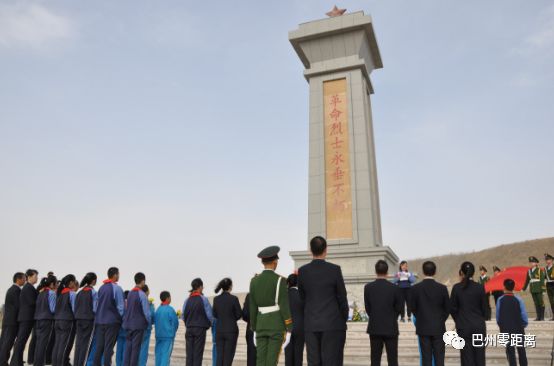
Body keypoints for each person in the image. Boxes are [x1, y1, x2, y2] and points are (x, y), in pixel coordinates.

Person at [297, 236, 348, 366]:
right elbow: (342, 297)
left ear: (310, 250)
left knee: (313, 362)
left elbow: (301, 298)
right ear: (326, 249)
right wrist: (343, 318)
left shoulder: (302, 271)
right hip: (332, 323)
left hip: (311, 324)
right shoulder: (335, 270)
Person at [249, 246, 293, 366]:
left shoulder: (254, 281)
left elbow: (252, 307)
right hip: (276, 326)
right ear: (275, 262)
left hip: (260, 325)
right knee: (271, 362)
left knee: (260, 361)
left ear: (263, 262)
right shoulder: (280, 280)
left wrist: (254, 327)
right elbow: (284, 306)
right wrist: (289, 327)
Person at [410, 261, 449, 366]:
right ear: (435, 271)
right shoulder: (442, 288)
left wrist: (421, 318)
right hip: (438, 328)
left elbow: (412, 307)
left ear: (423, 271)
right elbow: (447, 309)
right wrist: (440, 320)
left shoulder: (415, 288)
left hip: (423, 328)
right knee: (439, 358)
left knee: (426, 358)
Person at [364, 260, 402, 366]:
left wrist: (376, 316)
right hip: (391, 327)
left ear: (376, 271)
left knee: (375, 360)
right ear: (387, 271)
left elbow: (368, 308)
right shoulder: (395, 288)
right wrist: (391, 317)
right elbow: (399, 308)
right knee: (393, 360)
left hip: (375, 327)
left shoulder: (368, 287)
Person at [450, 261, 487, 366]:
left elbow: (452, 308)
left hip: (464, 328)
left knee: (466, 359)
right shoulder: (480, 287)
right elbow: (485, 309)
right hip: (479, 327)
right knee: (480, 359)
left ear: (461, 272)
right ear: (473, 273)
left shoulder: (457, 288)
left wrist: (459, 320)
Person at [93, 267, 125, 366]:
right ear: (115, 275)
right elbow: (121, 308)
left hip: (99, 321)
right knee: (108, 347)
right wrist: (121, 319)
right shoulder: (117, 288)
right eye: (118, 274)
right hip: (112, 322)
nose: (119, 276)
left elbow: (95, 306)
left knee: (99, 347)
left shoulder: (101, 288)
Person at [496, 279, 528, 366]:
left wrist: (502, 326)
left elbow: (498, 317)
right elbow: (524, 316)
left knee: (510, 352)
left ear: (504, 287)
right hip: (518, 329)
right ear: (513, 288)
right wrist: (523, 325)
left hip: (506, 329)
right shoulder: (519, 299)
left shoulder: (500, 300)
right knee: (521, 351)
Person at [182, 278, 213, 366]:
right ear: (200, 287)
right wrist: (211, 323)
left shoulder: (187, 300)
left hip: (189, 328)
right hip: (200, 329)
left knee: (189, 354)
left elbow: (183, 316)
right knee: (198, 353)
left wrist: (188, 323)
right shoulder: (203, 299)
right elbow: (209, 315)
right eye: (202, 286)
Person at [11, 269, 39, 366]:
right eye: (35, 276)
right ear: (30, 276)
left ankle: (17, 361)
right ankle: (15, 362)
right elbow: (32, 302)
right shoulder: (28, 288)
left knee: (21, 341)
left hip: (26, 318)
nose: (37, 278)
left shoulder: (29, 287)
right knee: (21, 341)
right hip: (26, 318)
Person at [122, 273, 150, 366]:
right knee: (135, 349)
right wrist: (148, 323)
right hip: (138, 326)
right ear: (142, 281)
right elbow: (146, 313)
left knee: (128, 348)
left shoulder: (129, 293)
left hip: (129, 324)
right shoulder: (142, 295)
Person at [212, 278, 242, 366]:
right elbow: (239, 314)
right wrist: (232, 319)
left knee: (219, 356)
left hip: (219, 330)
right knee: (228, 356)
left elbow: (214, 314)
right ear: (230, 286)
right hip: (231, 330)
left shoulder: (216, 299)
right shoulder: (234, 299)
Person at [0, 272, 25, 366]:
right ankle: (3, 362)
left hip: (8, 321)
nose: (25, 280)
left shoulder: (11, 289)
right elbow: (18, 306)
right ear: (18, 279)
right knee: (7, 343)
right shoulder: (15, 290)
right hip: (12, 322)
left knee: (4, 342)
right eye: (23, 278)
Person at [52, 275, 77, 366]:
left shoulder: (59, 293)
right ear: (70, 283)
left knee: (57, 344)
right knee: (64, 345)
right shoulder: (72, 294)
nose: (74, 283)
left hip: (57, 321)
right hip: (67, 321)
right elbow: (75, 309)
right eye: (74, 281)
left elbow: (54, 308)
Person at [74, 273, 98, 366]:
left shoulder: (79, 292)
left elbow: (75, 307)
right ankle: (82, 364)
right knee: (86, 344)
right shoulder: (93, 292)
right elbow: (95, 308)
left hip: (78, 319)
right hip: (88, 320)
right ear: (93, 281)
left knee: (78, 343)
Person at [33, 276, 57, 366]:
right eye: (56, 283)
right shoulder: (51, 293)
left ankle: (37, 363)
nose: (57, 285)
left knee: (39, 343)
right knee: (43, 344)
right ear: (52, 284)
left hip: (38, 319)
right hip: (46, 320)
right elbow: (53, 309)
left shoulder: (41, 292)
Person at [154, 292, 178, 366]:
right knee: (165, 356)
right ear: (167, 298)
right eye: (170, 297)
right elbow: (175, 323)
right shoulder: (170, 310)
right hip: (168, 336)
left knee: (158, 355)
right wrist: (173, 333)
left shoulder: (158, 310)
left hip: (158, 336)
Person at [284, 274, 304, 366]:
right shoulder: (302, 295)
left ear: (288, 283)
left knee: (288, 355)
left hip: (286, 328)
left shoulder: (283, 296)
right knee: (298, 355)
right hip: (300, 328)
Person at [522, 256, 546, 321]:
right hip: (533, 289)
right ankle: (538, 316)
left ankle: (542, 317)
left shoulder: (539, 270)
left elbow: (542, 280)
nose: (531, 263)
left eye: (533, 262)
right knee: (536, 303)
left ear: (536, 263)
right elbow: (527, 281)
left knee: (541, 302)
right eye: (530, 262)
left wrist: (543, 290)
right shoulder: (529, 271)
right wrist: (523, 288)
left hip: (539, 288)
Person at [138, 285, 154, 366]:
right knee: (144, 348)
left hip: (136, 327)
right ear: (147, 291)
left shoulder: (137, 299)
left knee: (137, 347)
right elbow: (150, 315)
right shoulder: (149, 303)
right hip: (146, 328)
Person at [241, 293, 255, 366]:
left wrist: (250, 320)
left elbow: (245, 314)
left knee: (251, 356)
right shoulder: (267, 294)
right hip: (264, 328)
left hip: (251, 328)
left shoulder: (249, 295)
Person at [115, 291, 129, 366]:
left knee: (119, 350)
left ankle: (118, 364)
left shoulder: (120, 304)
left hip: (120, 330)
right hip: (127, 331)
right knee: (125, 350)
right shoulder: (130, 305)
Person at [543, 253, 554, 321]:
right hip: (548, 284)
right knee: (551, 301)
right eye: (546, 260)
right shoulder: (546, 268)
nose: (547, 261)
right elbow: (544, 277)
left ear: (552, 260)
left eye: (549, 259)